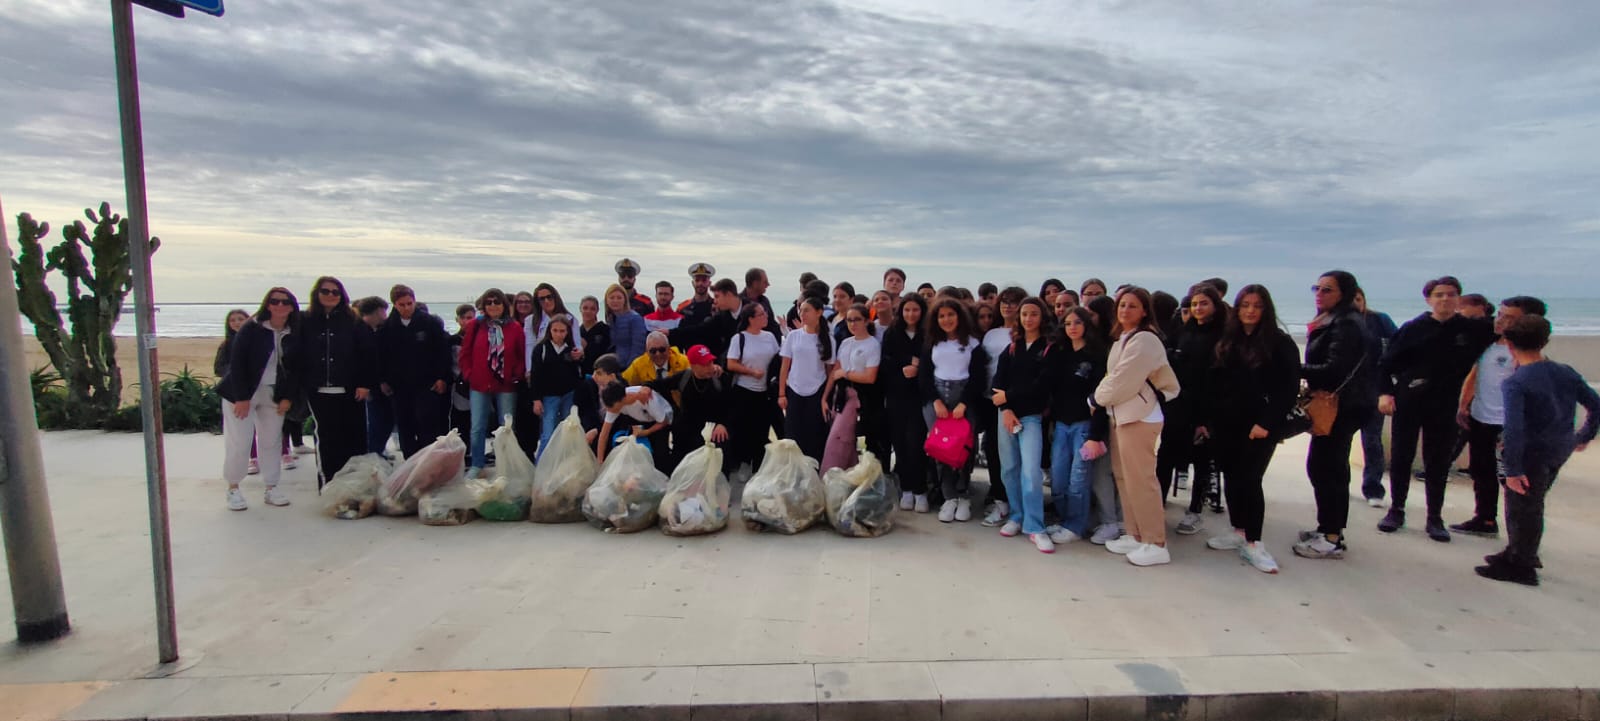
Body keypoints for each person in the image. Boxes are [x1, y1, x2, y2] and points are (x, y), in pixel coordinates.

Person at [1475, 314, 1599, 586]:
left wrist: (1512, 469)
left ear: (1508, 344)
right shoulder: (1564, 371)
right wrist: (1584, 434)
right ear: (1545, 341)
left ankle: (1522, 565)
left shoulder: (1516, 382)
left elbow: (1515, 429)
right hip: (1559, 447)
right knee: (1532, 503)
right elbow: (1595, 404)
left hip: (1530, 453)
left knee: (1523, 508)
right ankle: (1515, 552)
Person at [1376, 276, 1494, 541]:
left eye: (1451, 294)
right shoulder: (1412, 328)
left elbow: (1507, 329)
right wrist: (1385, 393)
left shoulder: (1471, 330)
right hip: (1410, 399)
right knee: (1401, 457)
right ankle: (1396, 510)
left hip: (1446, 403)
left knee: (1438, 461)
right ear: (1429, 299)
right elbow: (1385, 363)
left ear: (1458, 299)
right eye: (1439, 295)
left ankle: (1434, 517)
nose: (1445, 299)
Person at [1200, 285, 1299, 574]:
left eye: (1257, 306)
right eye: (1245, 305)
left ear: (1266, 310)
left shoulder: (1279, 343)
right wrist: (1208, 419)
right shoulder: (1227, 340)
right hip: (1226, 422)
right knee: (1231, 475)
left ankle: (1254, 542)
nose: (1250, 311)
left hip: (1259, 425)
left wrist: (1267, 423)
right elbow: (1214, 381)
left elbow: (1288, 389)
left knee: (1250, 480)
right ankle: (1238, 530)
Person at [1092, 287, 1180, 567]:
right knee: (1123, 477)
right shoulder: (1122, 339)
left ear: (1144, 311)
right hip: (1121, 415)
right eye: (1122, 305)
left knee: (1142, 481)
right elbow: (1113, 376)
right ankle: (1136, 533)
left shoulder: (1145, 340)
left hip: (1140, 417)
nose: (1125, 310)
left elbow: (1123, 379)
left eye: (1132, 306)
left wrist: (1095, 398)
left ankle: (1156, 542)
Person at [1293, 270, 1375, 560]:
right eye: (1317, 287)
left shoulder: (1347, 323)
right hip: (1342, 405)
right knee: (1324, 467)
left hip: (1344, 406)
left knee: (1328, 469)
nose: (1320, 293)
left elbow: (1334, 369)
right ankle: (1327, 527)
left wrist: (1292, 368)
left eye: (1327, 289)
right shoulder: (1338, 320)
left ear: (1345, 293)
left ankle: (1332, 537)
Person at [1451, 296, 1548, 537]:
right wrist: (1464, 405)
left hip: (1508, 424)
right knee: (1480, 471)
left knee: (1511, 480)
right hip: (1481, 417)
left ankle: (1521, 541)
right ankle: (1485, 519)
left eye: (1509, 318)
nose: (1500, 321)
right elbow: (1476, 374)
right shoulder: (1488, 344)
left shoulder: (1526, 355)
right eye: (1500, 315)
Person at [218, 288, 301, 510]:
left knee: (271, 441)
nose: (280, 306)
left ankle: (271, 487)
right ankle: (233, 488)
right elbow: (237, 363)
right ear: (267, 304)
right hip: (243, 392)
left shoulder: (295, 332)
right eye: (275, 301)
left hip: (274, 393)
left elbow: (297, 368)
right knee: (240, 441)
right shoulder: (252, 328)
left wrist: (288, 397)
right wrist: (242, 397)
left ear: (292, 306)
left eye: (285, 302)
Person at [991, 296, 1056, 553]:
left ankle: (1035, 525)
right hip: (1006, 416)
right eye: (1024, 314)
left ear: (1042, 317)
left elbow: (1042, 385)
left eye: (1034, 314)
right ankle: (1016, 516)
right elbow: (998, 382)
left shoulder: (1049, 348)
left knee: (1030, 471)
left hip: (1031, 417)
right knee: (1009, 468)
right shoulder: (1011, 348)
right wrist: (1005, 407)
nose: (1028, 319)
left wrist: (1009, 396)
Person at [298, 277, 375, 487]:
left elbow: (366, 354)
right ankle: (329, 483)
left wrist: (364, 383)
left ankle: (355, 484)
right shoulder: (305, 320)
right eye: (326, 291)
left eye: (335, 292)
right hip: (319, 390)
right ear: (317, 293)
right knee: (326, 438)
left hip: (351, 389)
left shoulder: (354, 321)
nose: (331, 295)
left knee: (354, 437)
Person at [920, 297, 989, 523]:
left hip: (963, 397)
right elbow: (924, 375)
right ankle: (949, 497)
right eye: (941, 316)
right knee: (942, 449)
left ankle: (963, 494)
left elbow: (978, 378)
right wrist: (936, 401)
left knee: (964, 448)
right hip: (938, 397)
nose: (946, 320)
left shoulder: (972, 344)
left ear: (959, 316)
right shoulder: (932, 342)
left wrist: (964, 403)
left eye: (951, 315)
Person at [1044, 306, 1108, 545]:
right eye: (1068, 323)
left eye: (1077, 323)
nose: (1072, 327)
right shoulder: (1060, 354)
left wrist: (1095, 433)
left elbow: (1101, 398)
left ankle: (1076, 526)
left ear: (1086, 326)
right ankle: (1063, 520)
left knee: (1078, 480)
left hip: (1084, 426)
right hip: (1061, 424)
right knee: (1058, 478)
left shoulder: (1096, 356)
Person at [1170, 284, 1228, 536]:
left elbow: (1218, 378)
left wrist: (1206, 418)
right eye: (1194, 304)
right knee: (1169, 456)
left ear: (1215, 305)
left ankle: (1195, 511)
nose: (1197, 308)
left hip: (1207, 409)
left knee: (1203, 463)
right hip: (1180, 405)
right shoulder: (1185, 332)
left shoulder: (1223, 336)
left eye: (1203, 303)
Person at [216, 308, 295, 475]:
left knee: (272, 436)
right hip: (240, 392)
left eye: (241, 319)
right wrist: (238, 380)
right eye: (233, 320)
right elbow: (220, 367)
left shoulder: (267, 337)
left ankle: (280, 463)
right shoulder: (229, 344)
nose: (237, 322)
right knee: (240, 439)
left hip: (269, 391)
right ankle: (236, 482)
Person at [377, 284, 452, 458]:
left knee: (428, 425)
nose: (407, 308)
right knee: (405, 426)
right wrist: (383, 380)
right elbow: (381, 356)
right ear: (395, 304)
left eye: (410, 303)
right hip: (400, 386)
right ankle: (410, 463)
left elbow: (442, 352)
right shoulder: (387, 327)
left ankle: (428, 464)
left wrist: (442, 378)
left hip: (427, 384)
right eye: (402, 304)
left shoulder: (429, 323)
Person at [458, 288, 526, 479]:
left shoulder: (514, 327)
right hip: (479, 383)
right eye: (489, 302)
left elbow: (521, 355)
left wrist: (516, 374)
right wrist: (469, 374)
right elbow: (465, 353)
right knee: (478, 425)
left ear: (504, 304)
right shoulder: (475, 325)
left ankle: (505, 464)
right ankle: (477, 464)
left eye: (497, 302)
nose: (493, 306)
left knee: (506, 426)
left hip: (505, 384)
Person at [978, 288, 1025, 525]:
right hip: (990, 400)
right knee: (994, 452)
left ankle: (1020, 504)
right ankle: (1000, 499)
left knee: (1019, 456)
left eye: (1014, 302)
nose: (1008, 306)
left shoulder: (1024, 333)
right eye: (1004, 302)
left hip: (1016, 402)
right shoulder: (991, 334)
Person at [882, 293, 930, 512]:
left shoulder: (929, 334)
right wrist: (908, 363)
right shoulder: (892, 333)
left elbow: (932, 363)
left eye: (915, 309)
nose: (911, 314)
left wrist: (918, 368)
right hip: (895, 397)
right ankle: (907, 490)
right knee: (899, 445)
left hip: (919, 398)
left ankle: (920, 491)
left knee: (916, 444)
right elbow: (886, 362)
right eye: (907, 310)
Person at [725, 302, 783, 478]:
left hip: (765, 391)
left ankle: (759, 467)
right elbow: (731, 363)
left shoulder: (770, 336)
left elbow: (778, 358)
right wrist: (751, 372)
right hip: (744, 390)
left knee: (761, 430)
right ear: (751, 319)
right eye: (761, 314)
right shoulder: (739, 338)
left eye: (765, 313)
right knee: (744, 429)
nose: (765, 317)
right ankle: (744, 462)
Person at [652, 344, 732, 470]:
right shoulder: (684, 377)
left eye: (711, 362)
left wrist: (723, 424)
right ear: (694, 366)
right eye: (705, 364)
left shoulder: (720, 379)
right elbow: (660, 384)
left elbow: (731, 405)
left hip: (713, 429)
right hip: (687, 431)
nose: (710, 367)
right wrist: (644, 389)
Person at [821, 304, 880, 471]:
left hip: (859, 397)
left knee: (838, 439)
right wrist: (824, 397)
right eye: (849, 320)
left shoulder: (872, 344)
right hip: (840, 395)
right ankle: (848, 479)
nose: (853, 324)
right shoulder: (846, 343)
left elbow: (870, 377)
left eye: (857, 320)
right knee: (846, 442)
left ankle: (828, 476)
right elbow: (834, 372)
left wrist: (845, 374)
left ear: (867, 321)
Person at [1353, 289, 1398, 506]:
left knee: (1372, 440)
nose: (1355, 304)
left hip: (1374, 391)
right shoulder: (1333, 321)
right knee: (1335, 443)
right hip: (1345, 393)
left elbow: (1397, 349)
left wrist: (1389, 388)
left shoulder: (1379, 320)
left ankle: (1373, 489)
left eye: (1358, 299)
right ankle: (1337, 485)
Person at [780, 296, 836, 462]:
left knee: (814, 434)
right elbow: (785, 366)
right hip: (795, 390)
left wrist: (825, 397)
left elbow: (829, 372)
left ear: (819, 312)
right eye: (800, 310)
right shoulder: (793, 336)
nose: (802, 313)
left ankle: (813, 471)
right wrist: (781, 393)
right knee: (792, 434)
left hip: (817, 391)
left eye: (806, 310)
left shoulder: (828, 339)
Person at [531, 314, 583, 460]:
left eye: (562, 331)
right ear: (549, 331)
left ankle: (566, 465)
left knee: (569, 432)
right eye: (555, 330)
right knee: (548, 434)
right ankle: (541, 467)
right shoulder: (541, 349)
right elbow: (535, 376)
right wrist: (536, 399)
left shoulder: (571, 350)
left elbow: (577, 374)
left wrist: (579, 359)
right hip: (549, 396)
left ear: (567, 332)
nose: (559, 334)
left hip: (569, 395)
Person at [597, 380, 673, 468]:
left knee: (660, 455)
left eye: (611, 407)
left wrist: (647, 432)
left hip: (661, 420)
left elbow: (664, 421)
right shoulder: (613, 406)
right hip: (638, 421)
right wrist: (600, 461)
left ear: (621, 400)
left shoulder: (645, 398)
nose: (609, 411)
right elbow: (604, 434)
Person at [354, 296, 394, 456]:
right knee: (378, 422)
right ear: (378, 311)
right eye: (384, 312)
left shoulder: (373, 330)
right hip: (370, 386)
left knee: (384, 421)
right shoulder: (361, 331)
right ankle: (373, 453)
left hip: (375, 384)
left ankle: (376, 452)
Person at [670, 277, 742, 355]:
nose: (715, 301)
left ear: (728, 295)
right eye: (697, 280)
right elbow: (699, 329)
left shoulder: (752, 310)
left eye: (717, 296)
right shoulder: (721, 316)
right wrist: (670, 333)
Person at [448, 303, 476, 442]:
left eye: (470, 317)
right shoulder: (452, 340)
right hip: (459, 384)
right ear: (457, 319)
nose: (467, 321)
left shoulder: (480, 338)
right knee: (461, 419)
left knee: (476, 420)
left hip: (477, 383)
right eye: (463, 318)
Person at [623, 331, 690, 386]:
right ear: (647, 351)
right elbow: (623, 382)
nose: (658, 354)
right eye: (653, 351)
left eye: (662, 350)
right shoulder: (638, 365)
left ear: (669, 349)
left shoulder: (684, 362)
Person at [605, 283, 647, 368]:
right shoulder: (611, 319)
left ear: (625, 300)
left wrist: (629, 368)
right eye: (612, 298)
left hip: (629, 367)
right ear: (607, 300)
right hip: (613, 366)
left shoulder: (635, 319)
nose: (615, 301)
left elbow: (638, 348)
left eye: (619, 298)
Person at [577, 296, 612, 377]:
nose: (588, 311)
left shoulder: (605, 329)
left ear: (597, 311)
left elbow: (609, 353)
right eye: (585, 308)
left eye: (592, 309)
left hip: (601, 374)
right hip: (581, 375)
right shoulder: (577, 332)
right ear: (580, 309)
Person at [676, 263, 717, 331]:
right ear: (693, 283)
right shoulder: (682, 307)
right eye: (697, 280)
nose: (700, 283)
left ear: (709, 283)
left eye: (704, 280)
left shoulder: (716, 306)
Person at [742, 267, 783, 337]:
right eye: (765, 282)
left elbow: (772, 325)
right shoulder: (739, 303)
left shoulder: (765, 301)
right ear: (755, 283)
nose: (768, 285)